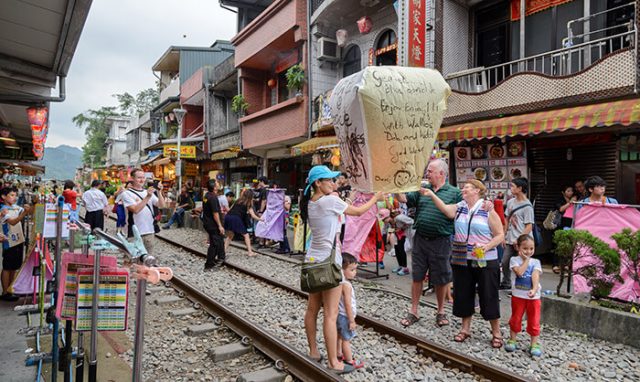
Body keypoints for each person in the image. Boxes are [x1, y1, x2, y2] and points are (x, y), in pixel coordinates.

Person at [301, 165, 383, 374]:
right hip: (330, 263)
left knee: (312, 309)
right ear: (318, 183)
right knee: (331, 313)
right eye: (329, 180)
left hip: (313, 260)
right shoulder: (330, 200)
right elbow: (357, 212)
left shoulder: (311, 202)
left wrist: (350, 197)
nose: (334, 182)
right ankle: (333, 362)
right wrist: (377, 197)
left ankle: (313, 351)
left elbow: (338, 208)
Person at [423, 179, 505, 347]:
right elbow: (446, 210)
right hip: (462, 258)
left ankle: (496, 332)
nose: (463, 190)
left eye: (467, 187)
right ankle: (465, 329)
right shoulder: (460, 207)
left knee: (488, 295)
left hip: (485, 260)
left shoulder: (487, 209)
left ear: (477, 191)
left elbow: (500, 235)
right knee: (463, 294)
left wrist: (486, 246)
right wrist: (431, 194)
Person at [397, 159, 462, 328]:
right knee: (417, 275)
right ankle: (414, 311)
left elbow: (453, 213)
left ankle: (440, 311)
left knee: (441, 278)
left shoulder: (454, 192)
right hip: (421, 239)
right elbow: (403, 198)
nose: (427, 174)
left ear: (441, 173)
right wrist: (395, 188)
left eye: (431, 171)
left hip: (441, 241)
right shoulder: (421, 191)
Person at [505, 234, 543, 357]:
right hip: (518, 295)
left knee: (534, 319)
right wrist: (526, 260)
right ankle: (513, 339)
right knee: (516, 317)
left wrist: (534, 288)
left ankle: (534, 343)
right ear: (518, 248)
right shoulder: (514, 260)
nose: (529, 251)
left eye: (531, 248)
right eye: (525, 248)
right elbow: (520, 273)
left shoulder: (536, 262)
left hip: (533, 297)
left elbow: (535, 276)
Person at [500, 178, 534, 290]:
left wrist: (519, 239)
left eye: (513, 186)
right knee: (505, 261)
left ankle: (524, 285)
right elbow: (507, 220)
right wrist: (503, 235)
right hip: (510, 239)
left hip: (523, 242)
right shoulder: (510, 202)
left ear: (520, 189)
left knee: (523, 264)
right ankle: (506, 282)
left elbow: (529, 226)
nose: (511, 188)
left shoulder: (528, 206)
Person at [122, 169, 165, 253]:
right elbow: (135, 210)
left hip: (149, 231)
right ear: (132, 178)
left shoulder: (147, 192)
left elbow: (162, 205)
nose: (142, 180)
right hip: (135, 232)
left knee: (148, 260)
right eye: (139, 178)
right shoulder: (127, 194)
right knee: (133, 260)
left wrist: (159, 192)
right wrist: (148, 197)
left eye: (143, 177)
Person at [1, 187, 31, 301]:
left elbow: (27, 211)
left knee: (13, 267)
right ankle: (4, 292)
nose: (15, 197)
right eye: (12, 195)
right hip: (9, 241)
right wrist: (25, 213)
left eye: (15, 195)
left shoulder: (15, 207)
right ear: (4, 197)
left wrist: (32, 205)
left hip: (18, 240)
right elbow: (13, 222)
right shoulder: (3, 210)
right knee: (7, 267)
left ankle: (10, 289)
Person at [336, 253, 364, 369]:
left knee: (339, 336)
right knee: (346, 339)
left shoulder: (339, 283)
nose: (355, 272)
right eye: (352, 270)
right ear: (342, 270)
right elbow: (347, 304)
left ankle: (338, 354)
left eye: (355, 269)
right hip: (345, 316)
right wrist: (352, 320)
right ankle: (349, 361)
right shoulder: (346, 285)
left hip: (339, 315)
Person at [223, 189, 263, 257]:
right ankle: (250, 252)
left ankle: (223, 251)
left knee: (230, 235)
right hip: (236, 218)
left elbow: (230, 209)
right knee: (246, 235)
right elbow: (253, 216)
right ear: (250, 196)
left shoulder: (238, 200)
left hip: (228, 217)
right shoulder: (248, 203)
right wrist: (261, 219)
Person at [552, 185, 576, 273]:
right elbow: (561, 209)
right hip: (559, 224)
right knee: (557, 244)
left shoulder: (575, 199)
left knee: (567, 244)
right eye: (568, 191)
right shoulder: (559, 199)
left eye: (571, 191)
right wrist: (570, 203)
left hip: (569, 224)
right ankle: (555, 264)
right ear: (563, 192)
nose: (570, 193)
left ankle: (566, 264)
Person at [202, 180, 225, 270]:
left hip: (208, 222)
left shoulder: (206, 196)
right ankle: (209, 264)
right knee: (214, 244)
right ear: (214, 187)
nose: (219, 184)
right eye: (217, 184)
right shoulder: (213, 198)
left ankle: (221, 258)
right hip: (213, 224)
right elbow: (215, 213)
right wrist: (219, 225)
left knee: (219, 240)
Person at [391, 210, 413, 276]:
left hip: (403, 235)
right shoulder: (392, 221)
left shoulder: (399, 218)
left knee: (401, 250)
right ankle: (400, 266)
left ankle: (405, 268)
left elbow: (411, 222)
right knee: (397, 249)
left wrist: (401, 228)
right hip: (397, 235)